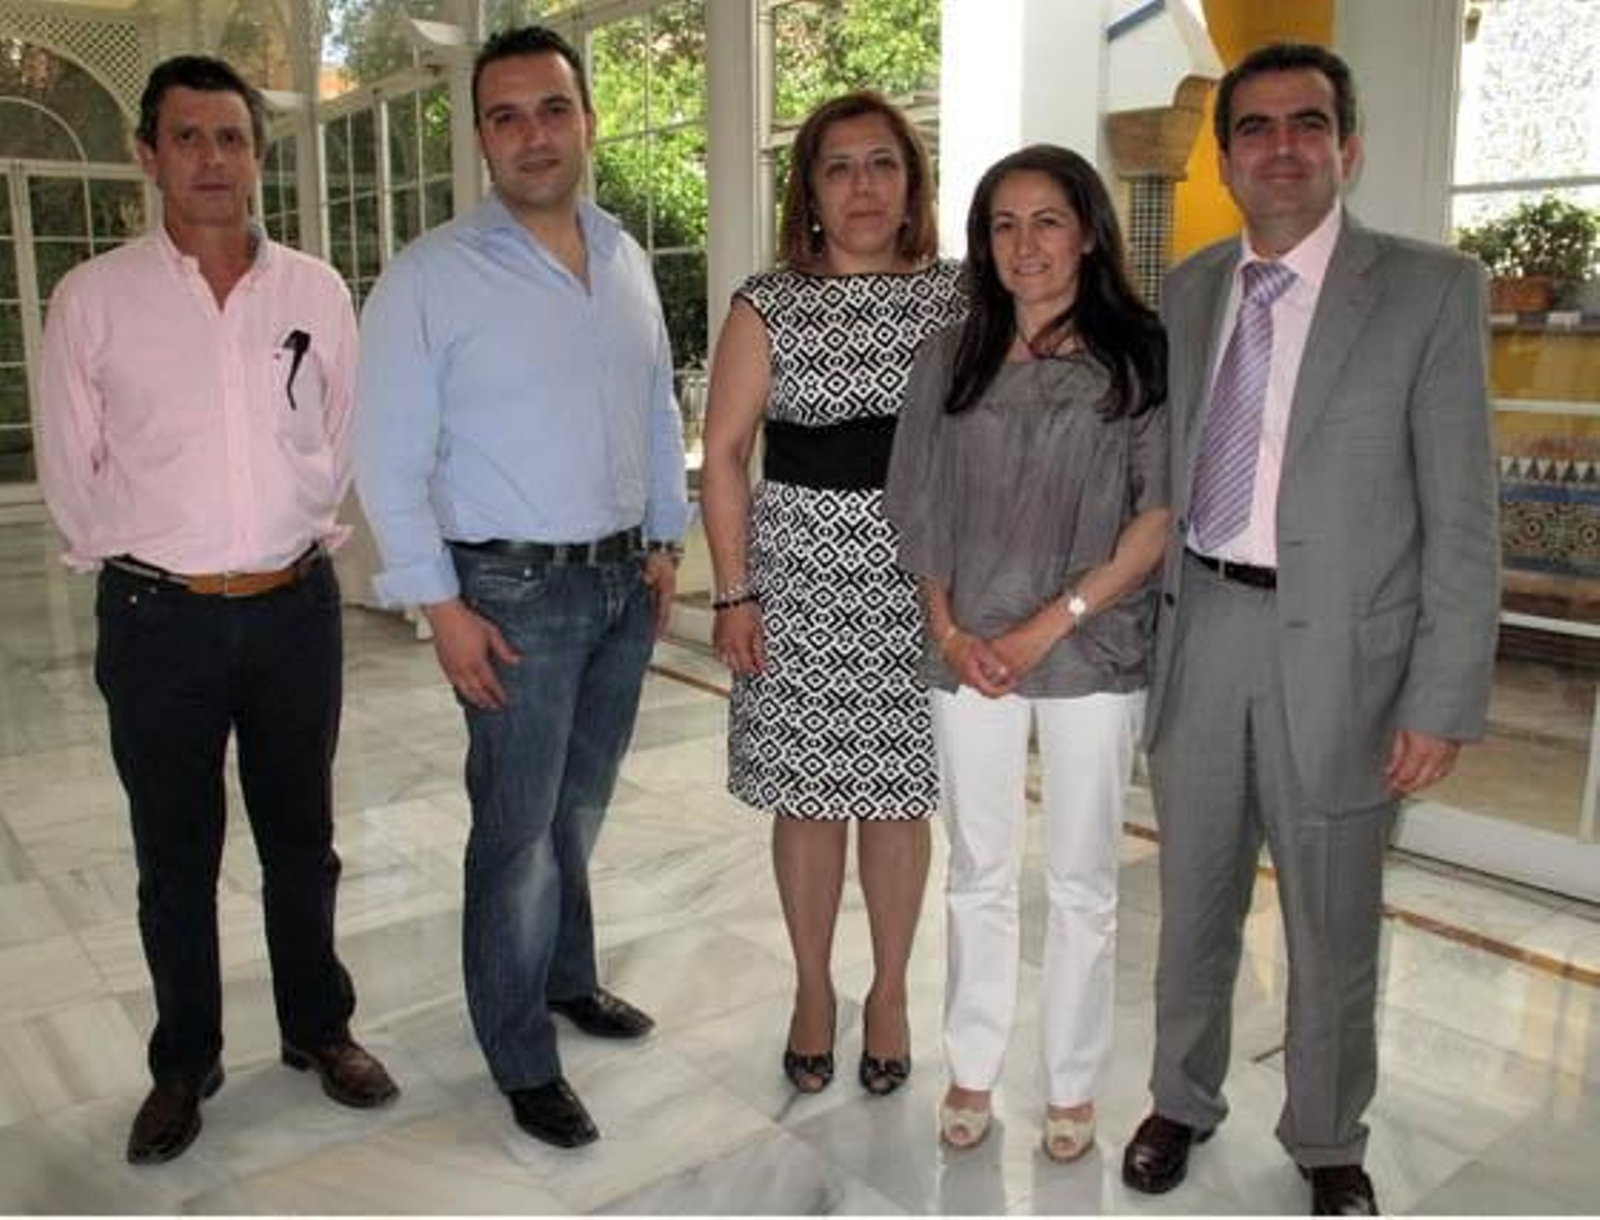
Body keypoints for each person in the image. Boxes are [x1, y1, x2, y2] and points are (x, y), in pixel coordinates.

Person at [1120, 43, 1499, 1216]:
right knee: (1192, 903)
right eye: (1255, 127)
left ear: (1348, 147)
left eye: (1307, 123)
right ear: (1226, 159)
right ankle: (1179, 1098)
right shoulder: (1187, 290)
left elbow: (1462, 514)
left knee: (1332, 918)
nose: (1281, 146)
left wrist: (1440, 696)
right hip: (1202, 632)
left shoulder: (1431, 289)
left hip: (1346, 662)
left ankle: (1329, 1133)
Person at [33, 54, 398, 1167]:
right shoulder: (94, 298)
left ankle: (317, 1026)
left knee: (303, 840)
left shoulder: (316, 292)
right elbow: (70, 467)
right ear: (148, 156)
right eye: (187, 137)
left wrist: (285, 527)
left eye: (231, 137)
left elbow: (340, 435)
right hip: (160, 619)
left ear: (257, 153)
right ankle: (184, 1062)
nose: (211, 159)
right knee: (175, 856)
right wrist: (154, 557)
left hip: (293, 609)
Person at [353, 26, 688, 1150]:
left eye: (552, 109)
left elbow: (655, 406)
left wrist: (666, 536)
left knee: (575, 812)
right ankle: (519, 1051)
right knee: (515, 832)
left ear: (587, 118)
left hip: (621, 583)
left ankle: (566, 978)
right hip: (508, 594)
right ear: (481, 139)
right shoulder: (430, 276)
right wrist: (440, 605)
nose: (533, 135)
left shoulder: (625, 256)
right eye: (506, 116)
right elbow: (386, 456)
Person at [885, 144, 1169, 1159]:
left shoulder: (1138, 356)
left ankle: (1073, 1082)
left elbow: (1155, 517)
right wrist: (951, 631)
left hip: (1093, 650)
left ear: (1088, 231)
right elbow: (915, 504)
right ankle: (972, 1064)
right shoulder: (947, 356)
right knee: (979, 868)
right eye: (1003, 225)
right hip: (969, 656)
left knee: (1085, 877)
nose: (1025, 244)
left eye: (1047, 220)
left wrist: (1050, 623)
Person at [699, 90, 962, 1097]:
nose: (862, 187)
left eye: (882, 164)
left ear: (912, 184)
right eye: (838, 167)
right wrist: (735, 592)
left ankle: (889, 993)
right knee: (807, 798)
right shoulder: (766, 302)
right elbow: (726, 454)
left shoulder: (959, 298)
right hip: (798, 579)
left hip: (919, 584)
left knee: (898, 798)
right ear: (808, 189)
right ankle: (813, 988)